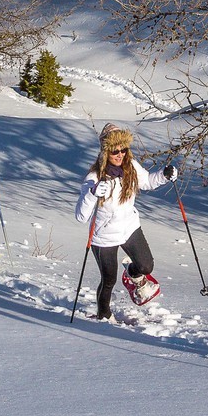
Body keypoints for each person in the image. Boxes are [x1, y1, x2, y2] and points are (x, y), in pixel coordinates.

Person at [74, 125, 178, 321]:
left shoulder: (131, 167)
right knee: (108, 280)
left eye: (123, 149)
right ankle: (104, 316)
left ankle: (132, 273)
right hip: (104, 237)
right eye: (115, 150)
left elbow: (147, 181)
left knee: (146, 266)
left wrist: (164, 176)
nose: (120, 154)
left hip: (129, 228)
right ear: (106, 151)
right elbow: (81, 216)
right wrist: (92, 194)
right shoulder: (94, 178)